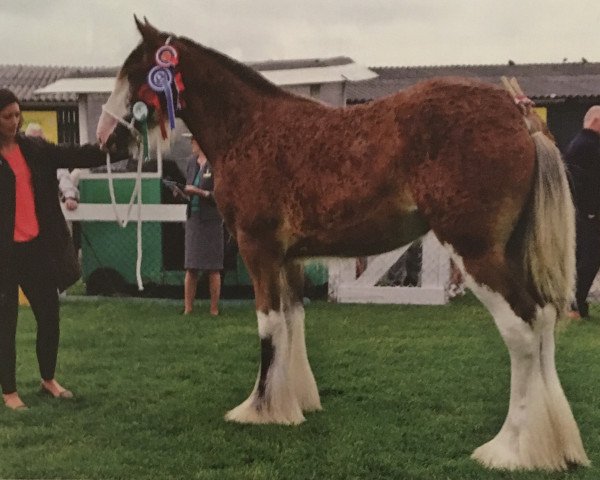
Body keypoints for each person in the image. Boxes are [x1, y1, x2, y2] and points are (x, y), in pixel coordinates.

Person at [0, 88, 121, 410]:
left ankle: (47, 379)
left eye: (17, 114)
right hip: (4, 255)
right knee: (5, 322)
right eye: (7, 116)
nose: (15, 121)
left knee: (49, 315)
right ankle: (9, 391)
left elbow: (73, 155)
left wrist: (116, 148)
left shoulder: (33, 148)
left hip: (35, 248)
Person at [181, 135, 224, 316]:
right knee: (191, 266)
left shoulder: (216, 163)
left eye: (194, 140)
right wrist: (182, 192)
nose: (192, 144)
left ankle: (214, 309)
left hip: (211, 221)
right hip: (194, 219)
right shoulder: (191, 162)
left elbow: (220, 196)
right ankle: (188, 308)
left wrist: (200, 192)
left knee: (213, 267)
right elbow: (188, 187)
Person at [564, 105, 600, 319]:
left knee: (586, 257)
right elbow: (583, 183)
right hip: (586, 214)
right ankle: (574, 305)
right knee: (588, 257)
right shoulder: (587, 145)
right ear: (596, 121)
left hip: (583, 212)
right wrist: (591, 212)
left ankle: (576, 303)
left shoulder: (582, 144)